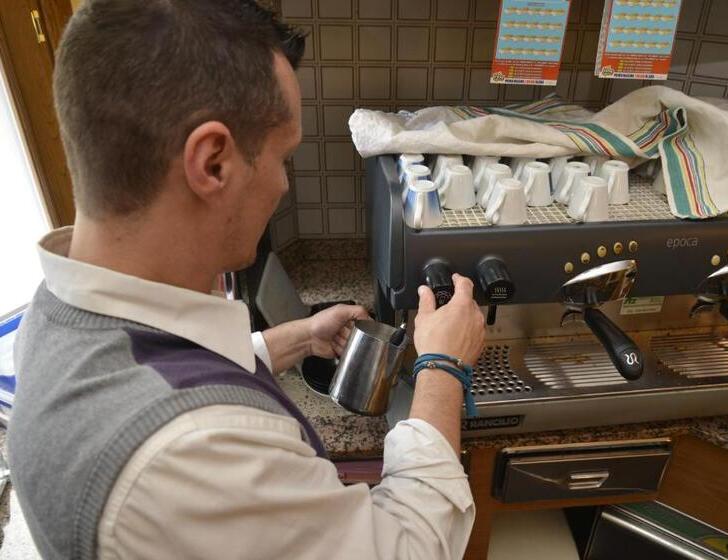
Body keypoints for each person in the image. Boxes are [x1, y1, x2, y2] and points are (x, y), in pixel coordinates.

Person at [7, 1, 486, 559]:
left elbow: (164, 365)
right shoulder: (193, 456)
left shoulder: (54, 311)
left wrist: (300, 338)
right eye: (284, 157)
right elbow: (408, 549)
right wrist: (442, 369)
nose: (283, 185)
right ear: (213, 163)